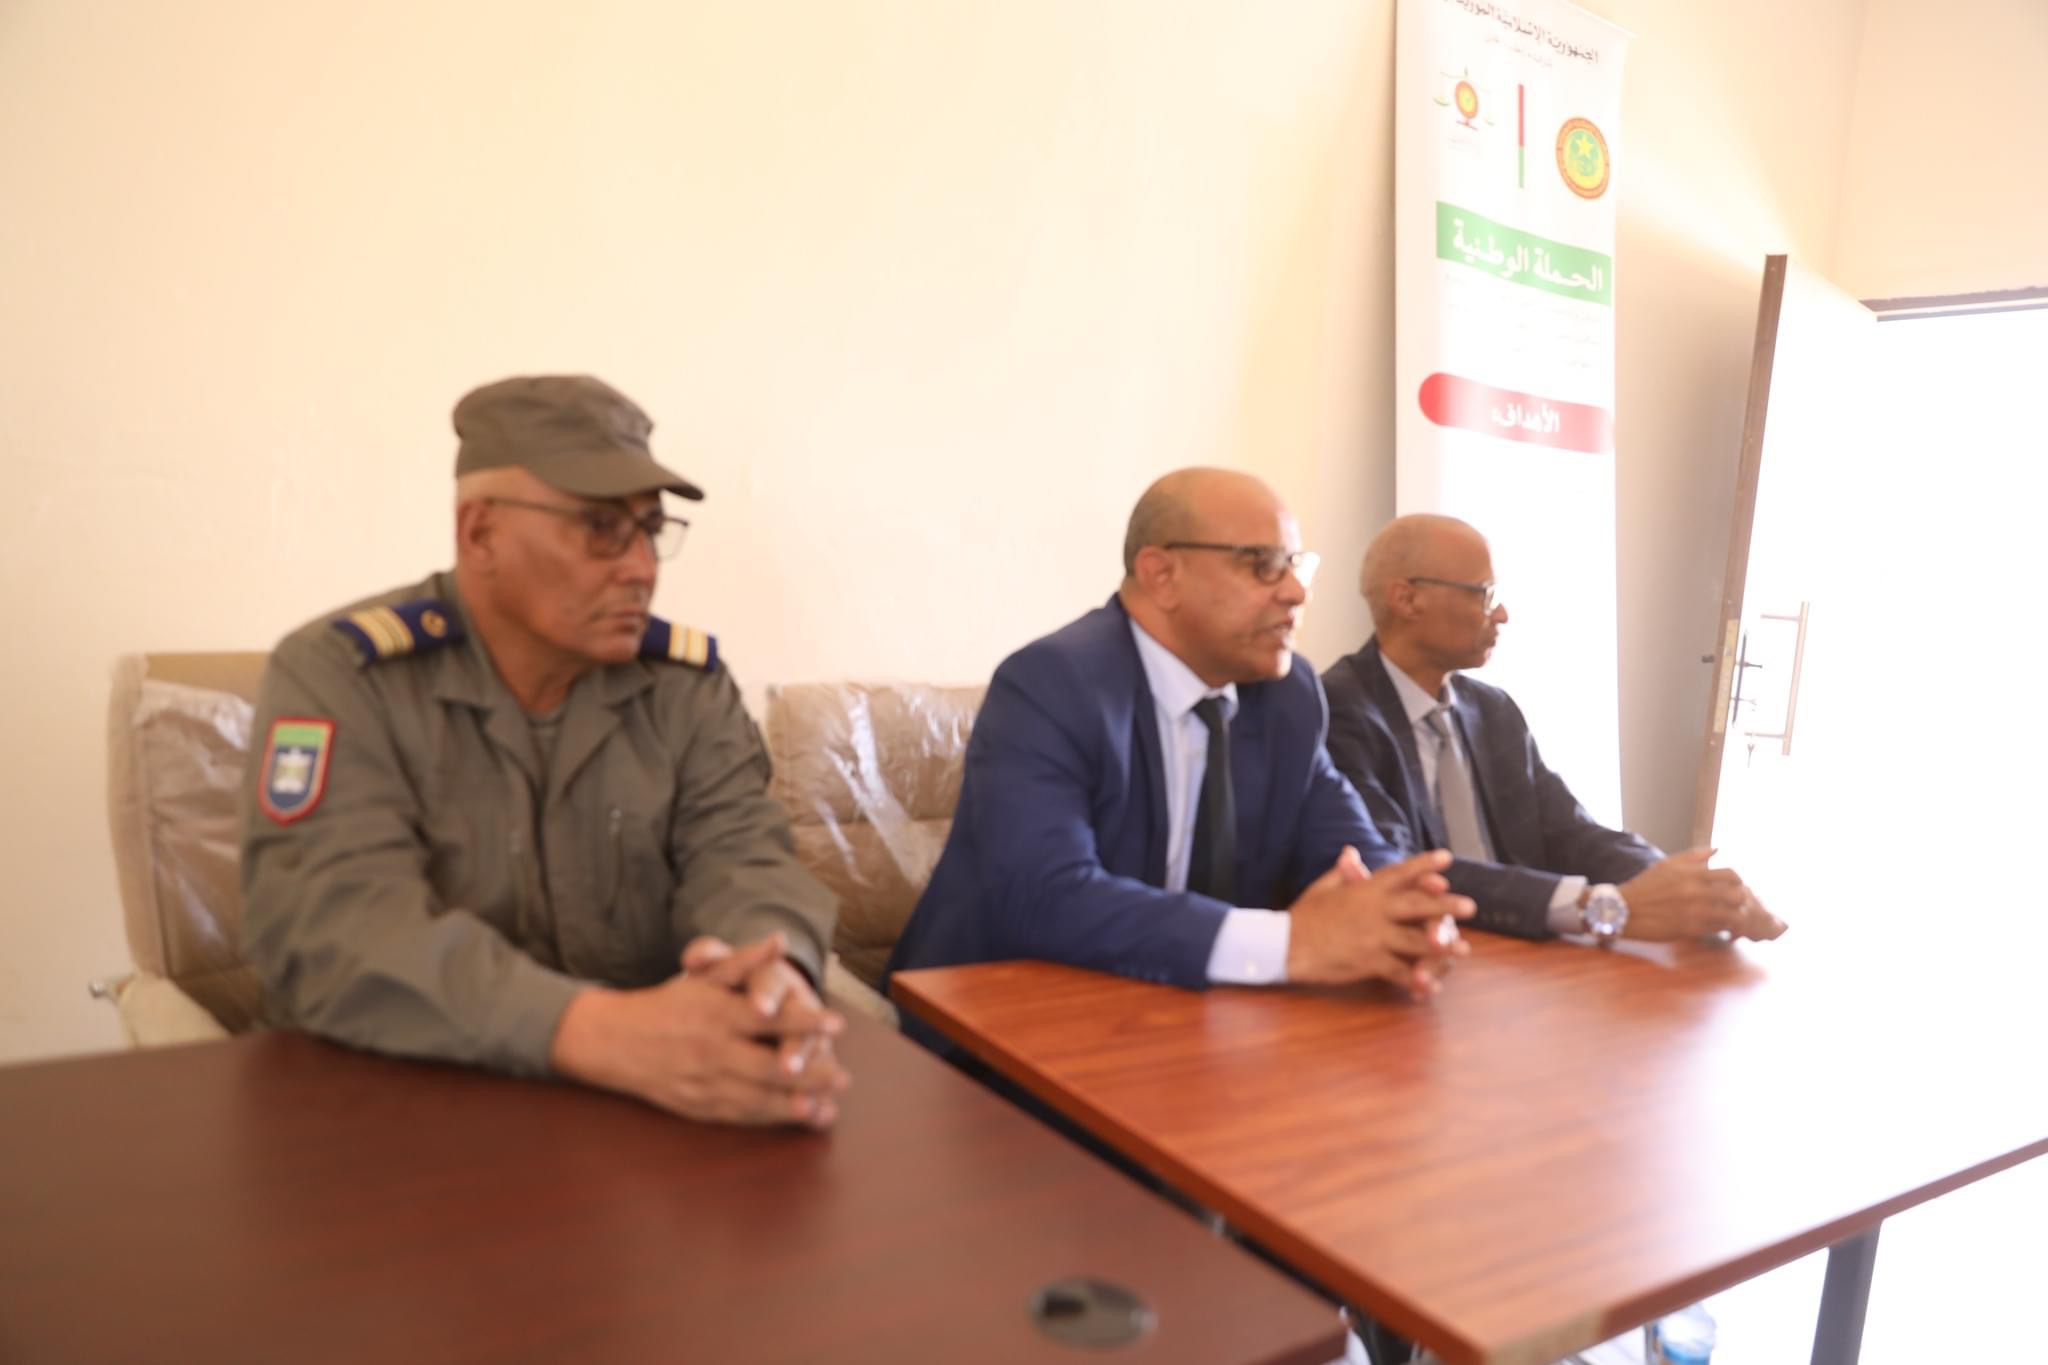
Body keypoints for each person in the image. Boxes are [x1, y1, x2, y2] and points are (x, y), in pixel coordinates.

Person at [240, 374, 850, 1128]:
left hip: (644, 1110)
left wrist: (766, 976)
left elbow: (746, 858)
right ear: (480, 534)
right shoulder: (341, 676)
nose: (642, 567)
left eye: (650, 529)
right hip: (398, 1106)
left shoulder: (683, 686)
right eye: (600, 527)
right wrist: (596, 1032)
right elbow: (334, 926)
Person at [887, 468, 1472, 1013]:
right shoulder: (1052, 684)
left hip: (1185, 1013)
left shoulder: (1287, 695)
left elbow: (1350, 847)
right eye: (1264, 565)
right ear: (1162, 575)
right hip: (998, 1015)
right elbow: (1044, 896)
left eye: (1298, 566)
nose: (1297, 592)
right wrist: (1291, 942)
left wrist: (1403, 916)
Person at [1320, 513, 1785, 945]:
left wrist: (1678, 887)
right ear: (1407, 599)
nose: (1502, 614)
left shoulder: (1492, 710)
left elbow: (1570, 831)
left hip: (1528, 954)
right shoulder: (1338, 711)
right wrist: (1596, 905)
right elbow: (1400, 868)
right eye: (1485, 594)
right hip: (1425, 951)